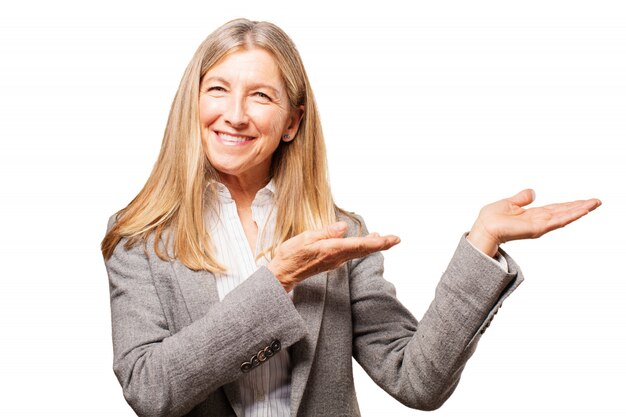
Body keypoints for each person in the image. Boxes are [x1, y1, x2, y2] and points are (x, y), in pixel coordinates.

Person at [101, 18, 601, 417]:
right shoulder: (139, 239)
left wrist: (482, 242)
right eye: (218, 89)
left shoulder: (341, 234)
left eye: (261, 95)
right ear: (194, 101)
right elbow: (150, 390)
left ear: (292, 122)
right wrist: (277, 280)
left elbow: (416, 381)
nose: (235, 114)